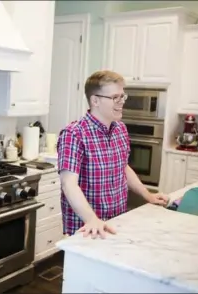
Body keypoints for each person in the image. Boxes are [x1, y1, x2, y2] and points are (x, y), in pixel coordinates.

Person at [57, 70, 169, 239]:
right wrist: (92, 220)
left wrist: (148, 195)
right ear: (95, 100)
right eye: (115, 97)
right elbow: (68, 184)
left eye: (123, 97)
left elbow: (123, 167)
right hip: (87, 229)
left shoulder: (120, 129)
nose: (121, 102)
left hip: (116, 221)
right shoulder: (74, 134)